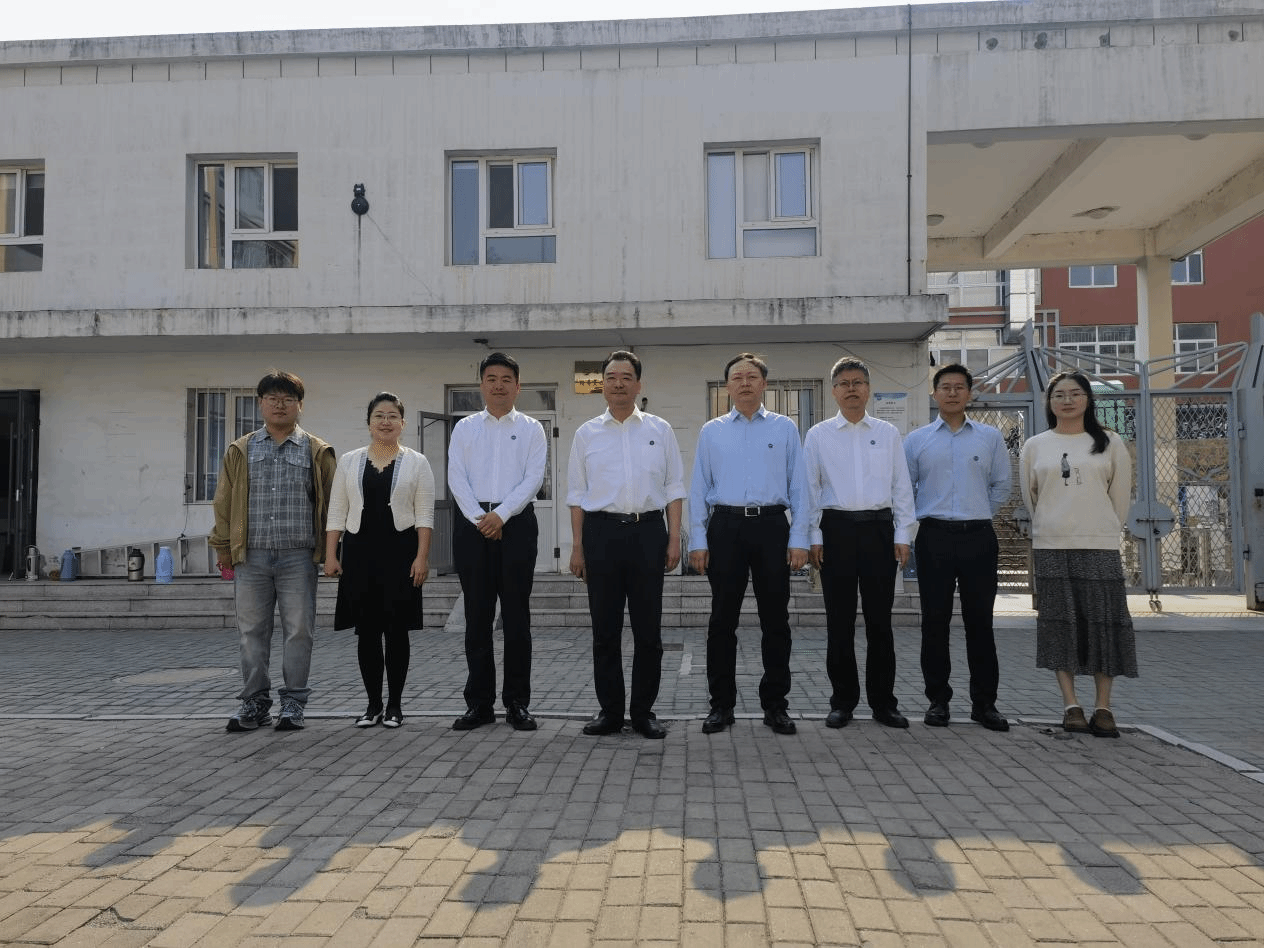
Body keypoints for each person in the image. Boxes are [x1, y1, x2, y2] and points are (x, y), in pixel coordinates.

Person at [688, 353, 809, 736]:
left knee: (776, 622)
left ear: (764, 384)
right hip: (725, 527)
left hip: (772, 526)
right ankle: (721, 705)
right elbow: (699, 488)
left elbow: (800, 486)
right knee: (722, 621)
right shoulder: (712, 431)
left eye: (752, 377)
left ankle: (775, 706)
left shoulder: (785, 428)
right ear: (727, 385)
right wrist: (698, 539)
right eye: (737, 377)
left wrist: (800, 538)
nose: (744, 383)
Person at [567, 350, 685, 740]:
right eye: (611, 377)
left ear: (638, 384)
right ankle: (611, 712)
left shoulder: (660, 429)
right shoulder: (586, 434)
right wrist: (577, 547)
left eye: (626, 377)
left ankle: (643, 712)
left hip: (648, 533)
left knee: (648, 630)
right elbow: (576, 495)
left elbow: (674, 488)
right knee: (605, 630)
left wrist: (673, 539)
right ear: (602, 384)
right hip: (601, 535)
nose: (618, 383)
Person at [211, 370, 336, 733]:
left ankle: (294, 703)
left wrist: (332, 551)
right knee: (252, 632)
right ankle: (255, 703)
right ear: (260, 403)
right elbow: (224, 501)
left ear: (300, 405)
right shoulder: (241, 449)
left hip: (299, 557)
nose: (280, 405)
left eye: (288, 399)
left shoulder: (317, 451)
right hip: (252, 556)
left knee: (299, 631)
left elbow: (332, 506)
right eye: (273, 399)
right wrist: (223, 547)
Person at [1020, 370, 1137, 738]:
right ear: (1049, 402)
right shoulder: (1035, 445)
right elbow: (1031, 497)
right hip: (1052, 546)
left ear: (1088, 399)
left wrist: (1104, 530)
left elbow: (1120, 498)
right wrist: (1051, 526)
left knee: (1104, 624)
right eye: (1059, 395)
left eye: (1075, 393)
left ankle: (1104, 707)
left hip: (1099, 545)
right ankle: (1071, 705)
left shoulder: (1110, 442)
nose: (1067, 400)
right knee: (1060, 624)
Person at [805, 357, 916, 729]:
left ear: (868, 389)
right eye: (844, 383)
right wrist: (814, 536)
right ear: (834, 391)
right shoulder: (818, 435)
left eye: (858, 382)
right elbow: (810, 489)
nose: (851, 389)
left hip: (878, 531)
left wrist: (903, 535)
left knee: (880, 623)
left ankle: (884, 703)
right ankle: (842, 702)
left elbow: (901, 487)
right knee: (839, 623)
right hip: (835, 531)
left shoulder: (887, 433)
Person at [904, 364, 1011, 732]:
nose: (952, 393)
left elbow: (1001, 485)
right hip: (933, 537)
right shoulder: (917, 440)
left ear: (969, 393)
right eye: (945, 387)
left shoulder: (989, 438)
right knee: (934, 623)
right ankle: (938, 701)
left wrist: (976, 512)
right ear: (934, 394)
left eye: (959, 387)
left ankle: (985, 704)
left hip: (978, 537)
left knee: (980, 623)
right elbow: (905, 489)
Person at [447, 353, 547, 732]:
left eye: (506, 379)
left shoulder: (533, 429)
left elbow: (533, 479)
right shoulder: (465, 428)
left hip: (516, 526)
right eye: (491, 378)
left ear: (518, 386)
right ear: (481, 384)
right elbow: (456, 477)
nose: (499, 385)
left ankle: (517, 703)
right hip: (473, 526)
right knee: (477, 617)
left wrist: (501, 515)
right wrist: (481, 518)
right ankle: (479, 704)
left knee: (517, 617)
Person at [323, 393, 434, 728]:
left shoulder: (417, 462)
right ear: (369, 422)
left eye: (392, 416)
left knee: (397, 632)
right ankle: (373, 705)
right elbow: (337, 510)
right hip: (359, 554)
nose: (386, 422)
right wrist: (331, 554)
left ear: (402, 422)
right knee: (367, 632)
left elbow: (424, 515)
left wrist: (422, 558)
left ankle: (395, 705)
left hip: (401, 554)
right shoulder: (349, 461)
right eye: (379, 416)